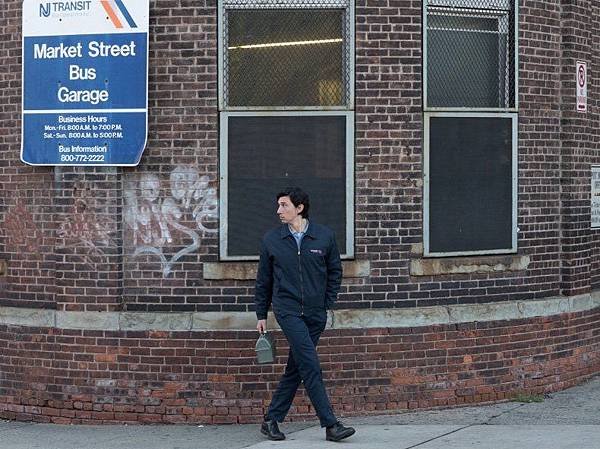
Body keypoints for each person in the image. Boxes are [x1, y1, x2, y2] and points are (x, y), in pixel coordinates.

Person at [254, 187, 356, 443]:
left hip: (315, 314)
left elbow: (335, 271)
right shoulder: (272, 240)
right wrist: (261, 313)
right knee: (310, 365)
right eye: (278, 205)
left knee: (296, 368)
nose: (279, 211)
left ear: (299, 208)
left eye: (284, 205)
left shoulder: (323, 236)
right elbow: (263, 280)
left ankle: (271, 420)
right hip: (288, 312)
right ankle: (331, 425)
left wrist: (326, 302)